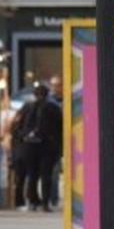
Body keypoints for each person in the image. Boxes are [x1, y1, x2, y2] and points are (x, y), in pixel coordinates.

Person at [38, 78, 64, 211]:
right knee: (51, 173)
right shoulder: (49, 105)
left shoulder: (69, 100)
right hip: (51, 145)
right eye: (53, 85)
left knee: (50, 173)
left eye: (58, 85)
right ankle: (50, 200)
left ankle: (49, 200)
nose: (56, 88)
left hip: (61, 143)